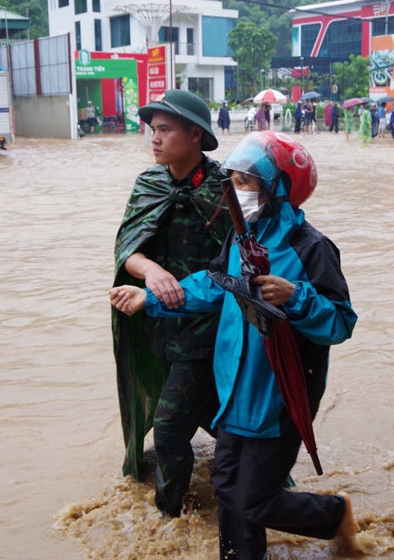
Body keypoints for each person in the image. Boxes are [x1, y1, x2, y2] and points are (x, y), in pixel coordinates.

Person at [110, 131, 359, 559]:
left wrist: (296, 297)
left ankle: (334, 515)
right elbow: (213, 285)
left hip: (278, 397)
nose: (236, 191)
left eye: (247, 183)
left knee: (255, 499)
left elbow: (339, 323)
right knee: (228, 488)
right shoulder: (243, 239)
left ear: (278, 189)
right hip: (234, 393)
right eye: (235, 181)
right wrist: (149, 298)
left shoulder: (311, 248)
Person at [112, 89, 232, 517]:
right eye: (152, 129)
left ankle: (169, 519)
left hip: (209, 332)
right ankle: (246, 478)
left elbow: (243, 265)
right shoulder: (149, 183)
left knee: (168, 428)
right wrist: (151, 271)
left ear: (195, 134)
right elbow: (127, 249)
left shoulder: (227, 190)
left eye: (165, 129)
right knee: (216, 420)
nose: (154, 139)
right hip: (158, 325)